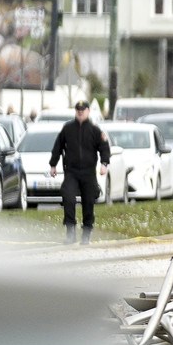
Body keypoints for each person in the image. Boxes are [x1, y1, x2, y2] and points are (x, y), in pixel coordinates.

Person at [48, 101, 110, 245]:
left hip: (88, 173)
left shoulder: (95, 130)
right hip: (72, 172)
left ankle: (86, 233)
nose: (80, 112)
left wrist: (104, 163)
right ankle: (70, 232)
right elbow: (58, 147)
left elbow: (104, 148)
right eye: (78, 110)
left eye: (83, 110)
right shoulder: (68, 128)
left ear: (88, 111)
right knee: (68, 197)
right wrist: (53, 165)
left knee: (88, 202)